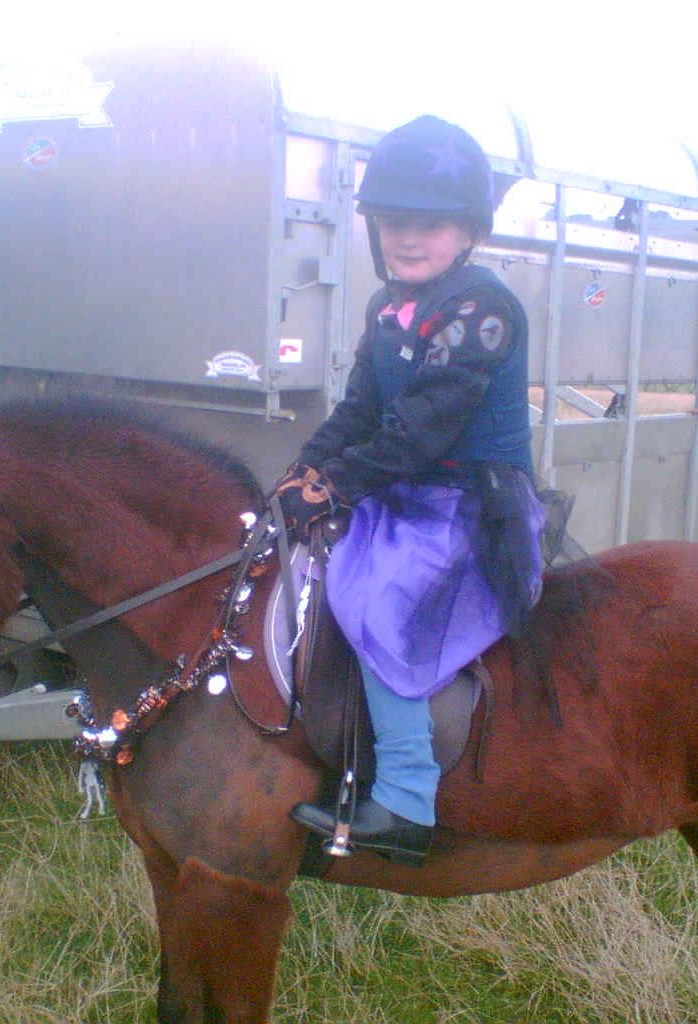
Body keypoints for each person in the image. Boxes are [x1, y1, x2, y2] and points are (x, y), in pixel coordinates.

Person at [272, 115, 546, 866]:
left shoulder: (480, 310)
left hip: (467, 505)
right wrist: (303, 470)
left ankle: (405, 797)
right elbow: (361, 409)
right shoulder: (388, 306)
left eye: (432, 225)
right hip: (401, 493)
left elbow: (420, 431)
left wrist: (334, 485)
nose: (410, 239)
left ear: (469, 232)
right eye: (395, 223)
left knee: (374, 602)